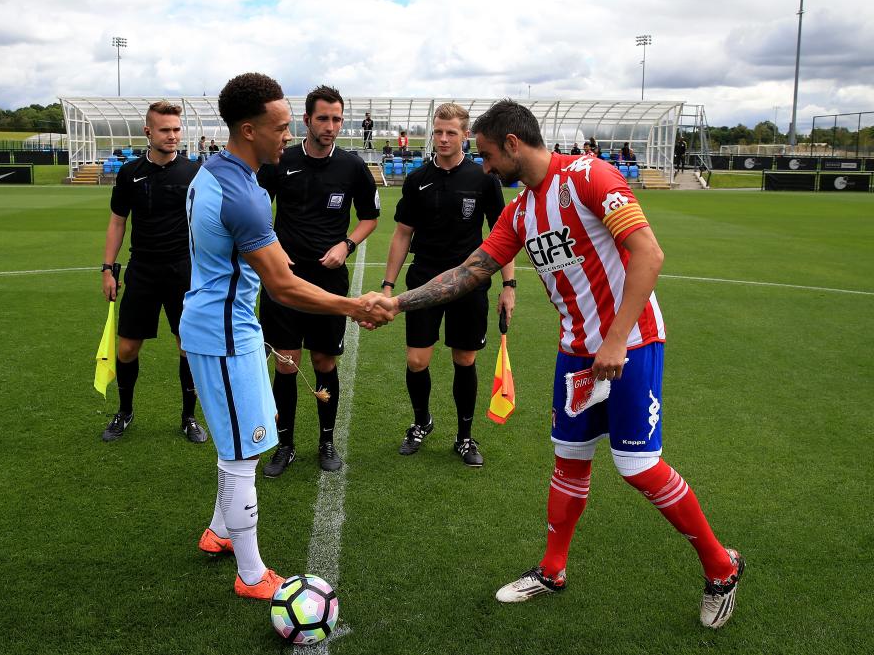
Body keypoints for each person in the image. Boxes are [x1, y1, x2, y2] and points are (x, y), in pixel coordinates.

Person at [371, 100, 743, 628]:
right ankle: (552, 570)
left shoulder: (591, 176)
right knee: (569, 459)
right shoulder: (520, 211)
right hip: (575, 351)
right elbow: (470, 271)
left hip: (630, 343)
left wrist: (614, 341)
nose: (485, 167)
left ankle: (722, 567)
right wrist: (398, 302)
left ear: (514, 144)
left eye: (489, 155)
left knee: (636, 465)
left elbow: (649, 254)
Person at [184, 73, 391, 597]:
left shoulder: (216, 172)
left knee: (241, 443)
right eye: (280, 127)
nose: (288, 135)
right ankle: (252, 574)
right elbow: (282, 284)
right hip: (225, 334)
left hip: (231, 326)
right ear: (249, 130)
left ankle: (217, 533)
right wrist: (354, 305)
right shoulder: (243, 195)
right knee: (238, 454)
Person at [255, 85, 380, 477]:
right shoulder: (281, 161)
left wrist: (346, 245)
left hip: (329, 282)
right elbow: (255, 207)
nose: (330, 126)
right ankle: (285, 445)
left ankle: (326, 442)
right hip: (284, 281)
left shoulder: (352, 167)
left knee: (324, 361)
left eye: (337, 119)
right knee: (287, 363)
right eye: (323, 118)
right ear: (306, 120)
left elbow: (370, 217)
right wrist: (272, 247)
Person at [381, 103, 516, 467]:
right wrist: (388, 286)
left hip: (470, 283)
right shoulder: (416, 179)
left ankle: (465, 436)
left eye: (450, 132)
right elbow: (402, 234)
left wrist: (509, 285)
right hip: (424, 281)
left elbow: (503, 234)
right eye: (438, 131)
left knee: (465, 359)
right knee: (416, 360)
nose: (443, 138)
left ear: (464, 135)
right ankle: (422, 421)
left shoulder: (483, 179)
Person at [100, 101, 207, 444]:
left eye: (177, 129)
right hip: (143, 270)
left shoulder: (194, 172)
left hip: (183, 271)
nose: (173, 136)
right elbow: (118, 221)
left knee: (187, 346)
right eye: (165, 130)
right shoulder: (130, 173)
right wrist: (107, 269)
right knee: (128, 348)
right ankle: (125, 411)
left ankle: (189, 417)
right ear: (149, 132)